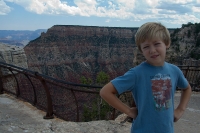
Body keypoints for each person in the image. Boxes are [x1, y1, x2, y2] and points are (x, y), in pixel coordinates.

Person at [100, 22, 191, 133]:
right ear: (141, 50)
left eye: (157, 44)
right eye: (146, 46)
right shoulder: (136, 74)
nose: (152, 50)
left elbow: (187, 88)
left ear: (167, 43)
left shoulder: (174, 71)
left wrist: (180, 109)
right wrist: (128, 111)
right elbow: (105, 91)